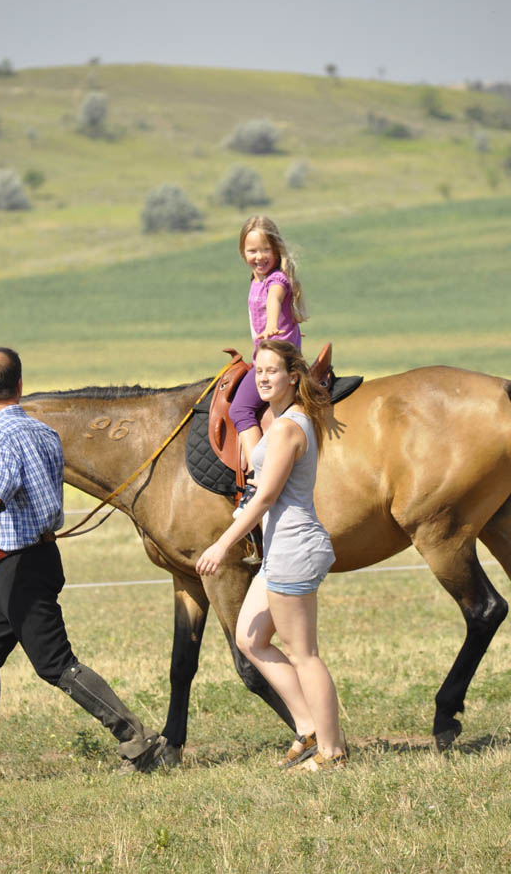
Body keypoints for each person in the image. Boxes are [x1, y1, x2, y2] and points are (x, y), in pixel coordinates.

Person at [0, 347, 166, 785]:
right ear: (21, 385)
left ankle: (136, 738)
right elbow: (27, 500)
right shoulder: (43, 432)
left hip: (20, 568)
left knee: (56, 664)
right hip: (32, 557)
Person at [197, 340, 347, 772]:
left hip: (294, 548)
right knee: (249, 638)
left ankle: (332, 752)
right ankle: (309, 726)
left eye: (272, 371)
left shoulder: (286, 428)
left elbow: (264, 499)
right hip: (281, 548)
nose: (262, 377)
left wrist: (222, 544)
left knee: (304, 654)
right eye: (258, 371)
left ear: (293, 376)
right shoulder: (281, 419)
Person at [228, 216, 309, 515]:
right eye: (252, 251)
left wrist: (272, 326)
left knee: (239, 409)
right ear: (242, 253)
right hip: (266, 352)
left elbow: (274, 302)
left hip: (277, 354)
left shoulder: (276, 281)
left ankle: (256, 477)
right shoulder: (256, 280)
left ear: (276, 250)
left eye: (265, 249)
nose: (259, 257)